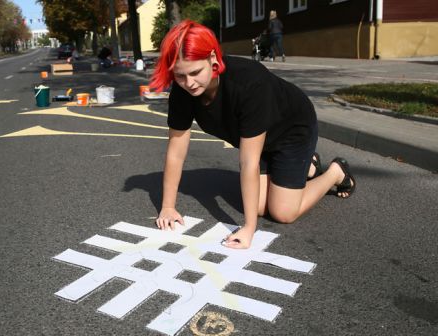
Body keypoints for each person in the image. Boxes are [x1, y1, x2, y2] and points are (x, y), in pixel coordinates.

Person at [151, 20, 356, 249]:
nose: (189, 83)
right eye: (180, 76)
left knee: (282, 212)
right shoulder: (182, 92)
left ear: (212, 58)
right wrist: (168, 206)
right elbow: (176, 153)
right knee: (259, 207)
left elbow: (249, 162)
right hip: (261, 138)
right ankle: (308, 166)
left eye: (196, 72)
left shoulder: (248, 83)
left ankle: (336, 173)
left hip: (292, 128)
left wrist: (249, 229)